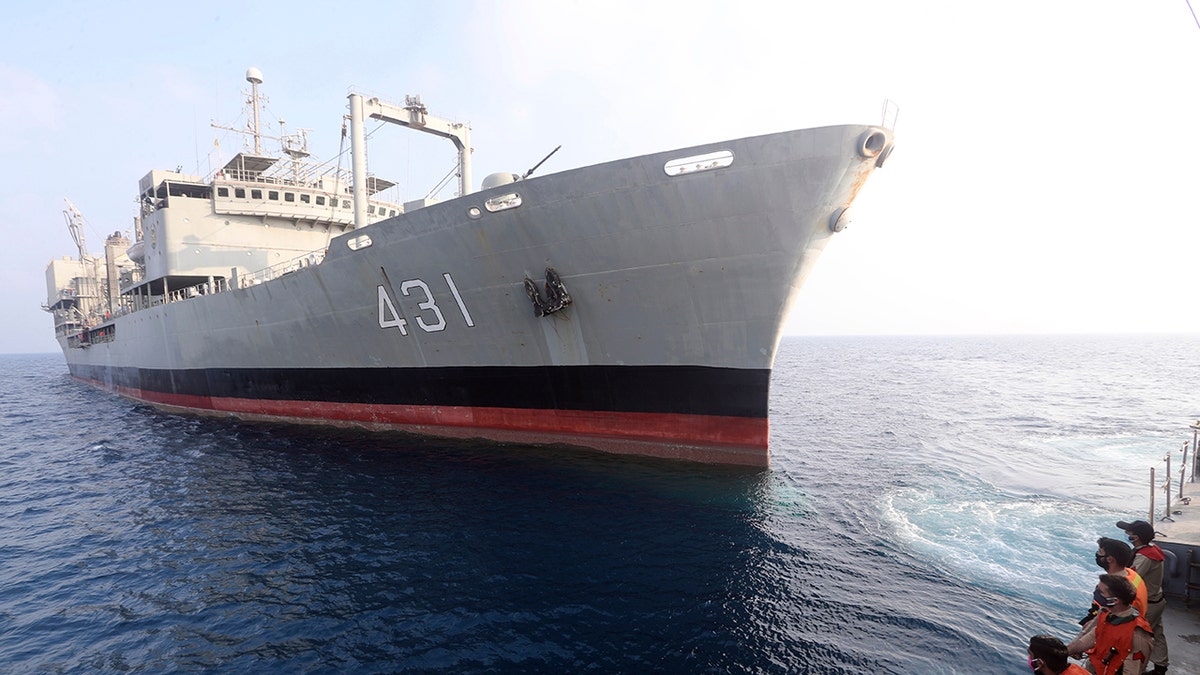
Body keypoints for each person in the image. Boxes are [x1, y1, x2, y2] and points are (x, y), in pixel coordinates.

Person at [1067, 574, 1153, 675]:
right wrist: (1060, 653)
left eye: (1101, 592)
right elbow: (1087, 640)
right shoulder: (1107, 614)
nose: (1096, 593)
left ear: (1115, 601)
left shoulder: (1137, 634)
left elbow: (1132, 671)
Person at [1119, 520, 1168, 674]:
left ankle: (1138, 669)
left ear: (1136, 538)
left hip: (1148, 604)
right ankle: (1161, 666)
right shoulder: (1152, 549)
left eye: (1130, 534)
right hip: (1156, 599)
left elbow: (1132, 578)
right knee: (1157, 633)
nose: (1127, 535)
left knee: (1140, 638)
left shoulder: (1144, 557)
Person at [1080, 538, 1147, 629]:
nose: (1097, 554)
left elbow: (1109, 617)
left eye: (1100, 551)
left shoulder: (1115, 589)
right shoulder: (1131, 573)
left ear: (1110, 559)